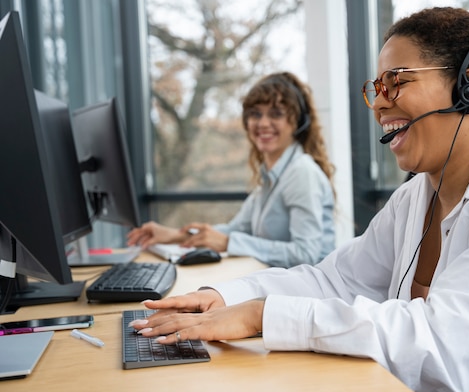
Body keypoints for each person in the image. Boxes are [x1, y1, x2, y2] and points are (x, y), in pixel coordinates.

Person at [129, 6, 469, 392]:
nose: (381, 102)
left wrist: (265, 315)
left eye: (399, 81)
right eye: (376, 87)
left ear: (468, 88)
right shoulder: (419, 194)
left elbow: (454, 358)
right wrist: (227, 296)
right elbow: (337, 280)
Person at [127, 72, 336, 268]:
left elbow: (305, 254)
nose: (263, 123)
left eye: (276, 114)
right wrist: (175, 235)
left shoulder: (301, 173)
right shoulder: (271, 176)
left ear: (298, 122)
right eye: (255, 114)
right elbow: (234, 230)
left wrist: (228, 243)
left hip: (306, 295)